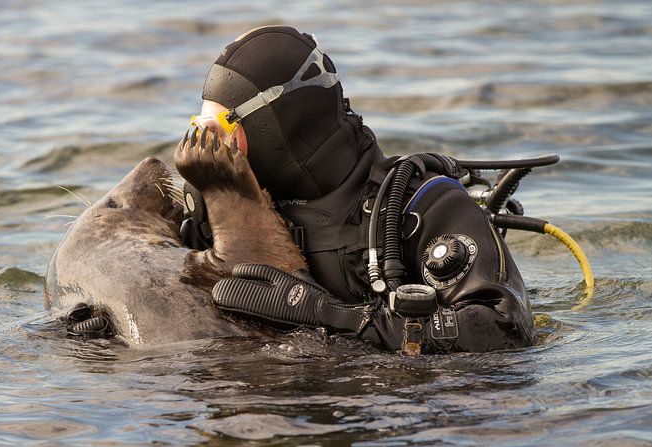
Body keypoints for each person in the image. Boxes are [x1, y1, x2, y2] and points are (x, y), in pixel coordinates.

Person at [176, 26, 534, 354]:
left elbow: (505, 330)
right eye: (199, 129)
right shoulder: (220, 212)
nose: (207, 148)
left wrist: (333, 316)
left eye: (217, 130)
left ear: (276, 123)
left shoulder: (424, 207)